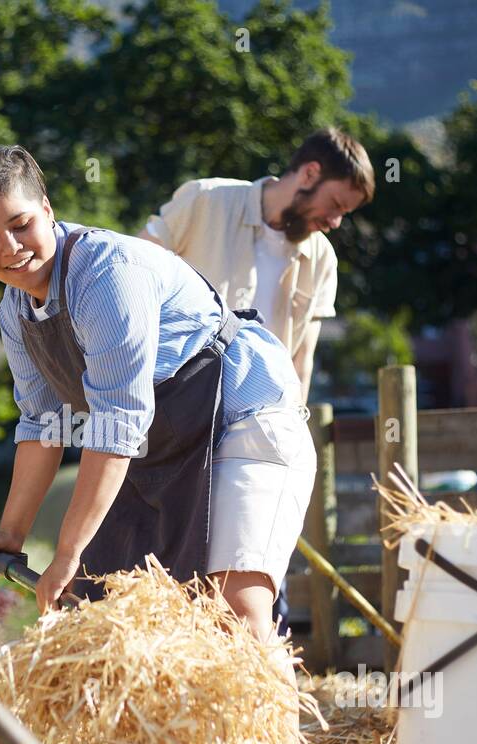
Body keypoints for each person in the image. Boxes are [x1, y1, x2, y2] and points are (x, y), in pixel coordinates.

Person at [0, 145, 315, 651]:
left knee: (236, 613)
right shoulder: (15, 311)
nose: (10, 248)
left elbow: (117, 423)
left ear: (47, 209)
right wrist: (12, 531)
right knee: (118, 619)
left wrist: (67, 552)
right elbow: (44, 424)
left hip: (244, 420)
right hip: (165, 447)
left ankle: (268, 734)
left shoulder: (107, 273)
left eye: (21, 224)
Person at [138, 127, 374, 634]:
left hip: (259, 435)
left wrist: (292, 440)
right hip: (181, 424)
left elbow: (301, 359)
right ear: (309, 174)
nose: (334, 223)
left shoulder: (321, 259)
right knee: (177, 581)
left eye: (344, 215)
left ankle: (259, 699)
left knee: (256, 595)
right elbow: (130, 277)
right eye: (334, 204)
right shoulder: (204, 201)